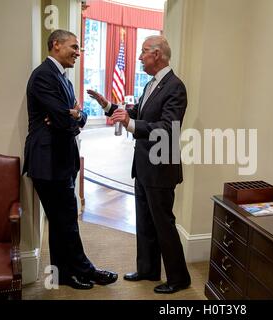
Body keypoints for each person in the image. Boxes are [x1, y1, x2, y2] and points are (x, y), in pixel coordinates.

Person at [87, 35, 191, 294]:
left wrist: (130, 125)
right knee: (144, 221)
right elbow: (136, 114)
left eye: (144, 52)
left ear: (157, 54)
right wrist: (109, 106)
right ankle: (148, 269)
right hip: (144, 166)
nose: (139, 57)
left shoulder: (175, 86)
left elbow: (168, 128)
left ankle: (180, 279)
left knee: (163, 224)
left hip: (161, 167)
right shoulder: (151, 84)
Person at [22, 29, 118, 290]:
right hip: (47, 160)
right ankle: (84, 269)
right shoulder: (43, 75)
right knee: (65, 219)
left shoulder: (64, 78)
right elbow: (66, 118)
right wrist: (71, 116)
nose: (78, 52)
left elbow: (77, 116)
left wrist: (73, 116)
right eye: (74, 47)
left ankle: (66, 273)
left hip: (61, 159)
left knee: (62, 220)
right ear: (56, 45)